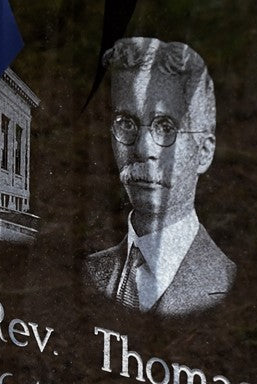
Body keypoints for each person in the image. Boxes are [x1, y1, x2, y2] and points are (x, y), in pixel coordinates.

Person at [86, 37, 233, 316]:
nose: (143, 149)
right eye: (126, 123)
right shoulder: (91, 272)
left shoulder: (225, 284)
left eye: (166, 127)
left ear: (203, 153)